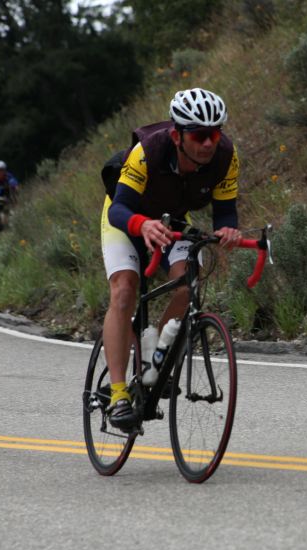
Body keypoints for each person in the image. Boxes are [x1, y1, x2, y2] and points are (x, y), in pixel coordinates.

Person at [101, 88, 241, 429]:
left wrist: (229, 231)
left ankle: (156, 363)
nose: (209, 143)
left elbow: (226, 212)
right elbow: (119, 208)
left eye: (215, 134)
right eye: (199, 135)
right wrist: (142, 224)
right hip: (127, 219)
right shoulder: (146, 152)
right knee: (124, 290)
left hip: (172, 222)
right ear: (178, 136)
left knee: (187, 283)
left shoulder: (226, 157)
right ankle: (119, 394)